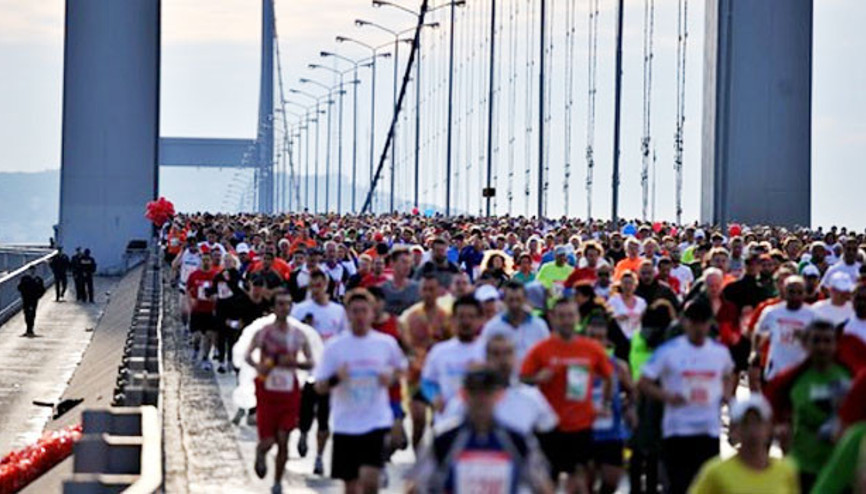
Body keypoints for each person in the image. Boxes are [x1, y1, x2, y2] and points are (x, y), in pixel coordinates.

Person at [314, 289, 407, 493]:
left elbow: (401, 369)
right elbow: (319, 387)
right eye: (355, 311)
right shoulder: (334, 347)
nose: (360, 316)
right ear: (347, 314)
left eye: (364, 311)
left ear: (372, 313)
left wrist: (390, 377)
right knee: (351, 486)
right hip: (345, 423)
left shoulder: (385, 343)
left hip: (375, 421)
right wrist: (336, 378)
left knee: (370, 481)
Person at [638, 299, 735, 494]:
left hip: (708, 430)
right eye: (693, 322)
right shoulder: (669, 351)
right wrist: (666, 396)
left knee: (707, 486)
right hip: (677, 430)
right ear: (684, 322)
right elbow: (643, 382)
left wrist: (725, 395)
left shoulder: (720, 352)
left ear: (710, 323)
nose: (698, 328)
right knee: (679, 486)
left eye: (703, 322)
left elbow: (729, 374)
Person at [409, 368, 554, 494]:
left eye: (487, 393)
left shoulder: (517, 440)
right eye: (475, 393)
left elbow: (542, 485)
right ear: (464, 395)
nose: (481, 400)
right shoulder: (442, 438)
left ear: (499, 396)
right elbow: (415, 486)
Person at [521, 298, 614, 494]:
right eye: (561, 316)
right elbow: (522, 379)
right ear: (553, 318)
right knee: (548, 481)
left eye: (571, 315)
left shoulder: (591, 349)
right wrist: (538, 378)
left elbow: (608, 376)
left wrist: (604, 403)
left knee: (580, 479)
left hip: (581, 424)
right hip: (549, 426)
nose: (566, 320)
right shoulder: (541, 349)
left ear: (578, 318)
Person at [764, 320, 853, 492]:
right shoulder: (791, 381)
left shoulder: (849, 375)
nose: (822, 347)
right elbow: (774, 412)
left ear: (836, 344)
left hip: (840, 467)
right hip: (803, 467)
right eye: (816, 340)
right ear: (805, 344)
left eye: (827, 341)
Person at [244, 290, 314, 494]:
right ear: (273, 307)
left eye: (288, 304)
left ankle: (277, 482)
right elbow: (248, 355)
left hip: (288, 391)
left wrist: (298, 363)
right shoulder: (264, 332)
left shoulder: (299, 334)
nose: (285, 308)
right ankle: (261, 451)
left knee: (284, 438)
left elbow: (310, 361)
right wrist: (259, 366)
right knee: (269, 440)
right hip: (267, 390)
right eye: (281, 304)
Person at [440, 333, 559, 437]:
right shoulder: (467, 399)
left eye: (508, 353)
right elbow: (445, 431)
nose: (503, 360)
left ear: (515, 357)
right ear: (486, 359)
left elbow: (548, 427)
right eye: (496, 354)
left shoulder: (531, 396)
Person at [291, 269, 349, 475]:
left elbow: (345, 340)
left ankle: (319, 457)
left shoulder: (338, 311)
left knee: (325, 417)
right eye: (313, 284)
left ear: (326, 285)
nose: (316, 287)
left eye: (320, 283)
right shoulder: (300, 310)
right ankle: (304, 434)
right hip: (307, 371)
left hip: (329, 373)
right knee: (305, 413)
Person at [689, 394, 799, 494]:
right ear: (734, 429)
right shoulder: (715, 472)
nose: (753, 431)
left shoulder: (786, 470)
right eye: (745, 423)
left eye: (758, 422)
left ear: (769, 427)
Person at [399, 274, 453, 450]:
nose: (428, 293)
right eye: (425, 289)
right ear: (420, 291)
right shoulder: (410, 316)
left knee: (438, 424)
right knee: (419, 421)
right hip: (416, 375)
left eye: (432, 289)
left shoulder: (445, 316)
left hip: (439, 376)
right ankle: (418, 459)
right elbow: (402, 343)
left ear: (438, 291)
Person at [585, 314, 635, 494]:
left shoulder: (618, 367)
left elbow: (633, 392)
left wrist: (629, 409)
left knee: (611, 483)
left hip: (611, 433)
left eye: (600, 338)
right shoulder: (579, 366)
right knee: (586, 485)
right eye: (592, 337)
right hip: (586, 432)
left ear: (607, 341)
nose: (596, 342)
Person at [420, 295, 484, 421]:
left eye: (471, 317)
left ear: (480, 320)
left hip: (479, 422)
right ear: (453, 319)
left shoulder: (488, 350)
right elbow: (427, 381)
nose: (466, 322)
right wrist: (434, 397)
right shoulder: (439, 351)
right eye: (461, 317)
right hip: (446, 421)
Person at [754, 276, 816, 380]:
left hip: (800, 372)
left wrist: (805, 338)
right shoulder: (772, 312)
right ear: (784, 291)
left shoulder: (813, 315)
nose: (795, 296)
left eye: (799, 292)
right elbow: (759, 332)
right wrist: (755, 351)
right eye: (791, 292)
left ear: (805, 293)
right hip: (776, 370)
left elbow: (819, 342)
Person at [479, 281, 550, 367]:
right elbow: (483, 357)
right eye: (511, 299)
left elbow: (547, 356)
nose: (515, 304)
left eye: (518, 299)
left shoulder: (539, 326)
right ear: (504, 300)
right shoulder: (492, 327)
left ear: (525, 300)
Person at [186, 252, 219, 369]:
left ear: (211, 261)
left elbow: (221, 291)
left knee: (209, 335)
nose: (206, 262)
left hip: (210, 310)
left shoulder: (216, 276)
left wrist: (216, 298)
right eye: (203, 260)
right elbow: (188, 290)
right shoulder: (194, 275)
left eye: (208, 260)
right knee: (197, 335)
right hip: (197, 310)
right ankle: (196, 348)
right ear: (201, 261)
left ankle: (205, 357)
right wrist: (190, 302)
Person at [608, 270, 647, 340]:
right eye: (625, 283)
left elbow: (645, 321)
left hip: (636, 339)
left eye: (630, 283)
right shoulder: (613, 301)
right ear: (621, 284)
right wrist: (618, 318)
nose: (628, 286)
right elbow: (607, 319)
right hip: (618, 338)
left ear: (635, 285)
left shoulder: (641, 302)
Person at [380, 249, 420, 316]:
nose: (407, 266)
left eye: (409, 262)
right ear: (392, 263)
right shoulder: (382, 290)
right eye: (404, 262)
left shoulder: (417, 289)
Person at [17, 266, 45, 337]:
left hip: (34, 299)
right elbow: (19, 287)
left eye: (33, 270)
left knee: (32, 313)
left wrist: (38, 296)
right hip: (26, 299)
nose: (32, 271)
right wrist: (23, 294)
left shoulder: (38, 279)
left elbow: (42, 289)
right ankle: (28, 328)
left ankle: (30, 329)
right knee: (26, 313)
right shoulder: (24, 279)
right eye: (30, 270)